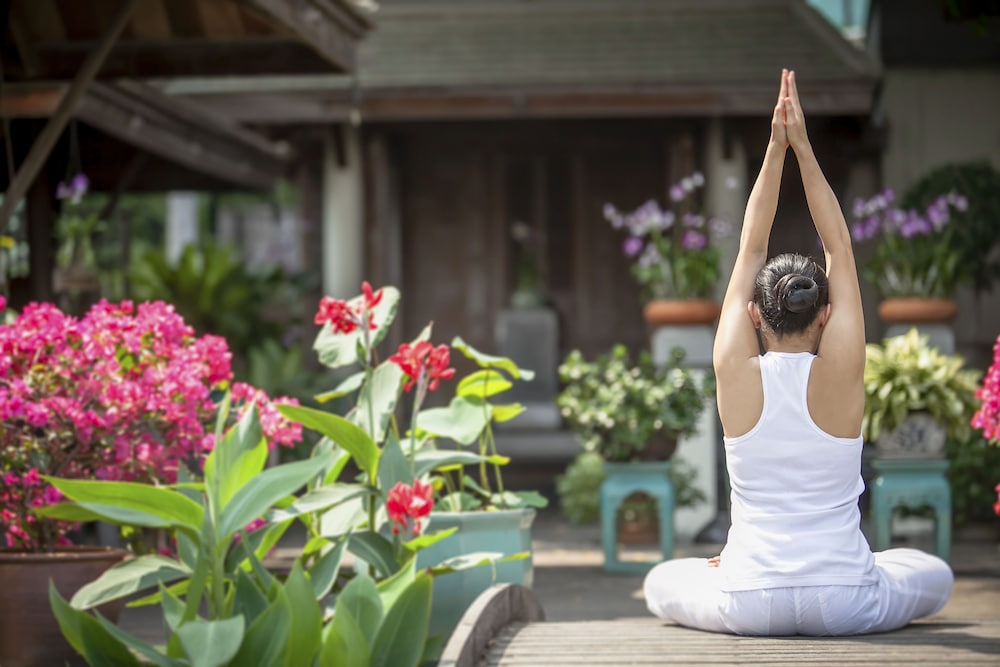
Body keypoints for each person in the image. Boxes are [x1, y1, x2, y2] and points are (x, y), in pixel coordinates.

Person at [642, 69, 953, 636]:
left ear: (755, 316)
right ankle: (865, 568)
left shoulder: (734, 370)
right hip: (846, 603)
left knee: (662, 579)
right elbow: (838, 243)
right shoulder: (842, 372)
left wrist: (775, 146)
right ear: (827, 315)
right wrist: (804, 147)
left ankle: (731, 567)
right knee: (932, 572)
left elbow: (752, 244)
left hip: (748, 600)